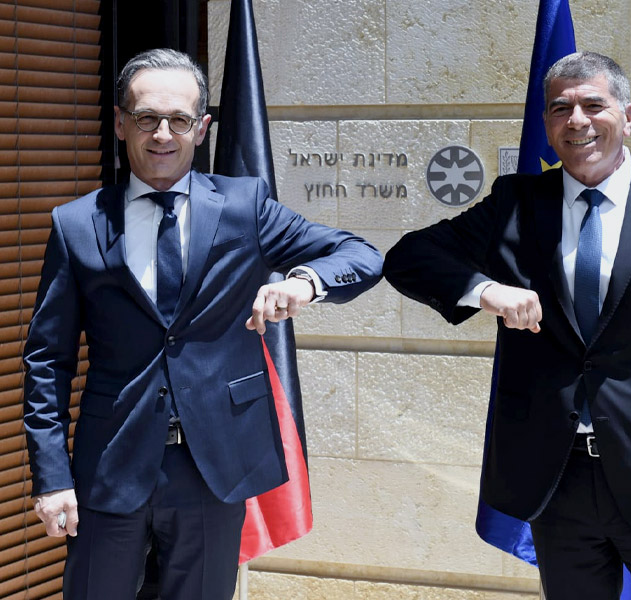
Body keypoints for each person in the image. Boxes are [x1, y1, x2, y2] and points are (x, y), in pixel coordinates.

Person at [23, 48, 383, 600]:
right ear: (121, 123)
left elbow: (359, 255)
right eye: (146, 118)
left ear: (202, 127)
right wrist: (51, 479)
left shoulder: (245, 206)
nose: (162, 134)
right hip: (110, 467)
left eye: (179, 120)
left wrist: (303, 283)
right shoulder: (76, 225)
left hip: (215, 466)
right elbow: (47, 362)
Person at [383, 51, 631, 599]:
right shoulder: (517, 204)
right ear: (548, 124)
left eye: (592, 105)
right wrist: (487, 290)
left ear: (627, 116)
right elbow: (408, 257)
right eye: (560, 108)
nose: (577, 120)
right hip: (558, 479)